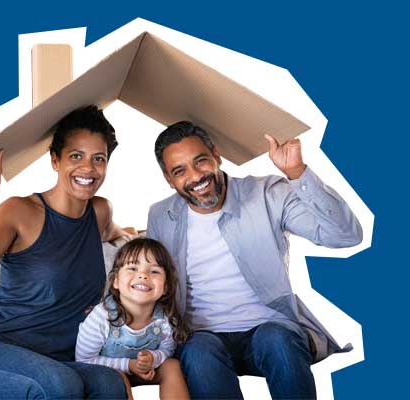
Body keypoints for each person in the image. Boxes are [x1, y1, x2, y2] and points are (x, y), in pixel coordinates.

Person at [146, 121, 363, 399]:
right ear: (168, 178)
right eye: (180, 171)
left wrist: (297, 173)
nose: (195, 176)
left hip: (270, 328)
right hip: (203, 338)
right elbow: (153, 277)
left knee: (277, 339)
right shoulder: (160, 215)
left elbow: (345, 236)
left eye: (200, 161)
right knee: (197, 351)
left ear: (216, 154)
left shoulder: (268, 193)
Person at [0, 105, 136, 399]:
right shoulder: (20, 212)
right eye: (76, 156)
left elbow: (123, 235)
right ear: (55, 160)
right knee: (60, 386)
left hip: (55, 359)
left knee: (111, 384)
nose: (88, 168)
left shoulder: (99, 212)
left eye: (99, 159)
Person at [76, 238, 190, 400]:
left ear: (165, 287)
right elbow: (84, 360)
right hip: (107, 374)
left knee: (172, 366)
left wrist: (153, 358)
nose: (143, 275)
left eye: (154, 271)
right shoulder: (102, 317)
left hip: (146, 370)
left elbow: (167, 349)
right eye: (133, 268)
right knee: (118, 377)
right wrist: (129, 366)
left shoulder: (164, 318)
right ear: (115, 281)